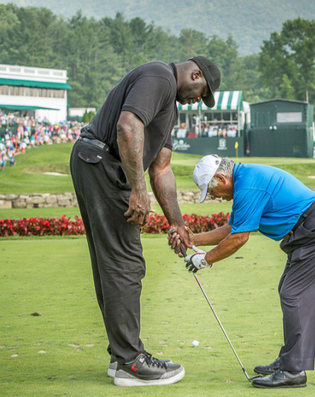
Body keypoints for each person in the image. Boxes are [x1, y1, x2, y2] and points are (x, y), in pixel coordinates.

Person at [69, 56, 221, 387]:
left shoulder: (170, 106)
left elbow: (161, 167)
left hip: (98, 163)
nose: (198, 100)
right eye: (202, 92)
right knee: (126, 262)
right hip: (104, 164)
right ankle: (130, 362)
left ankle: (121, 355)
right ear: (195, 74)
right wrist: (138, 189)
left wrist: (177, 223)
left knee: (114, 261)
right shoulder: (160, 77)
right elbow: (127, 126)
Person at [177, 155, 315, 389]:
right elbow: (232, 228)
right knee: (289, 292)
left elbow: (239, 238)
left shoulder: (248, 185)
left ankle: (293, 370)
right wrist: (193, 240)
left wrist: (204, 260)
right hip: (310, 230)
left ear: (220, 178)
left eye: (213, 191)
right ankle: (289, 360)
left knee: (294, 294)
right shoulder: (244, 180)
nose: (216, 197)